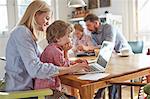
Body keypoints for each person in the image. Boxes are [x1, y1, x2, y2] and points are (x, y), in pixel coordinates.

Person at [4, 0, 88, 98]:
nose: (48, 22)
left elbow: (43, 62)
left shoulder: (28, 35)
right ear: (35, 15)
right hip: (22, 93)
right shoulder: (22, 33)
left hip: (29, 89)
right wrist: (70, 69)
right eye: (46, 18)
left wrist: (72, 63)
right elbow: (36, 69)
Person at [84, 13, 132, 99]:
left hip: (124, 56)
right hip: (111, 57)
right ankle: (100, 94)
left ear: (96, 23)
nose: (87, 28)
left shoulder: (109, 28)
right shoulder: (93, 33)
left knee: (111, 76)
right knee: (103, 73)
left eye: (89, 25)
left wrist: (89, 48)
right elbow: (97, 49)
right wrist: (90, 48)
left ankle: (106, 96)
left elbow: (109, 45)